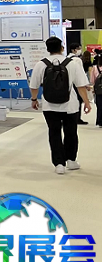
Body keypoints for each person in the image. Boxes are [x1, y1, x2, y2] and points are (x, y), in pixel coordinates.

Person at [29, 37, 91, 175]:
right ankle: (71, 160)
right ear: (62, 48)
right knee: (71, 132)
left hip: (49, 105)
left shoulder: (41, 64)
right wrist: (86, 102)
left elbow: (34, 86)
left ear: (48, 49)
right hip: (70, 105)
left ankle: (59, 164)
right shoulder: (73, 63)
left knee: (54, 133)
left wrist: (34, 99)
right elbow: (81, 85)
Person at [67, 43, 89, 125]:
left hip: (68, 83)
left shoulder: (67, 58)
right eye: (79, 48)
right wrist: (86, 85)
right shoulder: (77, 60)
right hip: (76, 83)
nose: (80, 50)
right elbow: (80, 74)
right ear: (74, 50)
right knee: (78, 100)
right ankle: (77, 118)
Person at [90, 56, 102, 128]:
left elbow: (92, 80)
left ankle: (99, 121)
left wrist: (93, 89)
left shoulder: (95, 68)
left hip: (99, 89)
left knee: (99, 105)